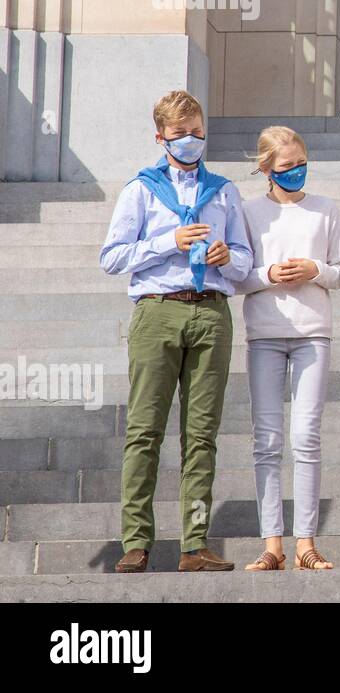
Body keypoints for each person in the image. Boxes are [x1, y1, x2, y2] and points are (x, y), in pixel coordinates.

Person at [100, 90, 253, 573]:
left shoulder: (224, 191)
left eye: (197, 131)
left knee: (201, 434)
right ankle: (136, 540)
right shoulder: (141, 190)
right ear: (161, 136)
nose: (191, 140)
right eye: (181, 133)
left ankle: (195, 543)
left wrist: (230, 258)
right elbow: (112, 257)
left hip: (210, 310)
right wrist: (168, 241)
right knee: (145, 430)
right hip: (158, 311)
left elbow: (247, 261)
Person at [237, 126, 340, 572]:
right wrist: (269, 275)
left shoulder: (325, 209)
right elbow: (237, 276)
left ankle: (306, 543)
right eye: (286, 167)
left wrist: (314, 268)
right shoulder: (247, 212)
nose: (296, 173)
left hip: (312, 333)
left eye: (302, 164)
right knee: (266, 440)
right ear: (266, 169)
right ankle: (272, 544)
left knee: (306, 437)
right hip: (263, 334)